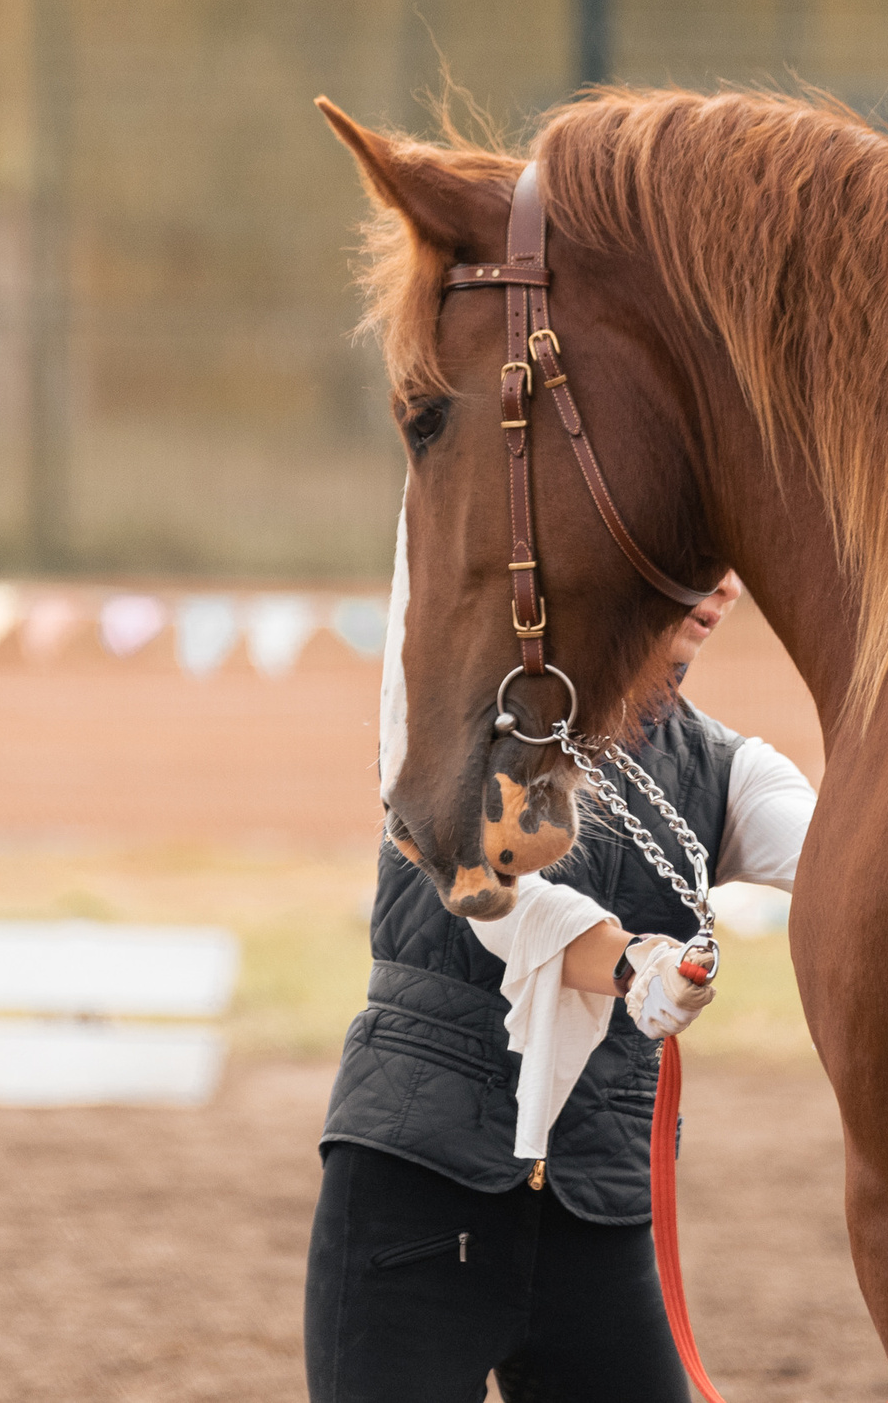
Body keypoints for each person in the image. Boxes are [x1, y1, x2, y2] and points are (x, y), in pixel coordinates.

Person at [306, 571, 815, 1403]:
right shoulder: (456, 698)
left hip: (601, 1221)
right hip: (420, 1191)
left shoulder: (731, 769)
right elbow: (494, 899)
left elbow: (840, 855)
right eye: (697, 544)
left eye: (731, 554)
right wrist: (634, 960)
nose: (725, 580)